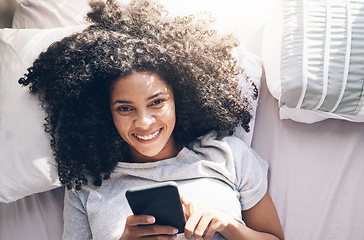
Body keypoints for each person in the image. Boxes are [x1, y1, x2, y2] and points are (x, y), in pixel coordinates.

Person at [19, 0, 284, 239]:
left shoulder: (229, 156)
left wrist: (229, 226)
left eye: (157, 102)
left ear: (179, 98)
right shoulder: (87, 184)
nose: (144, 122)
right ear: (102, 112)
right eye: (125, 108)